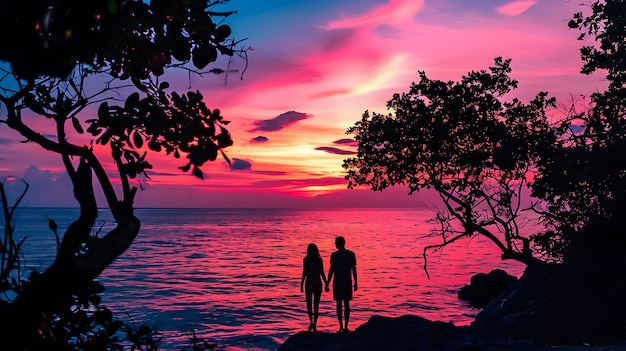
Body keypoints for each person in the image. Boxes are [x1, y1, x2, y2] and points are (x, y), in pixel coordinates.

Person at [325, 236, 357, 333]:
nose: (335, 244)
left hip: (338, 282)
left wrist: (327, 283)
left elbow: (331, 270)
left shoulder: (334, 255)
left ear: (338, 244)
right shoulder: (351, 254)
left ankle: (340, 327)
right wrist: (356, 282)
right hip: (347, 281)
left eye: (335, 243)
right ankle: (346, 327)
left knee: (339, 304)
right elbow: (354, 270)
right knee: (347, 304)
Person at [300, 243, 328, 333]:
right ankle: (314, 324)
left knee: (309, 304)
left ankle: (311, 322)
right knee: (316, 305)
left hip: (309, 282)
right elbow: (322, 272)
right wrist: (326, 283)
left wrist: (301, 284)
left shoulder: (306, 259)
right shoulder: (319, 260)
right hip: (317, 282)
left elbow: (304, 272)